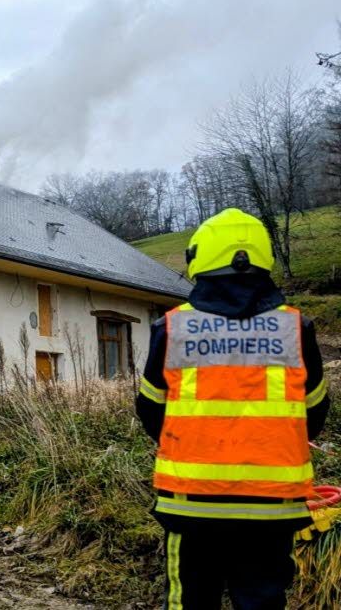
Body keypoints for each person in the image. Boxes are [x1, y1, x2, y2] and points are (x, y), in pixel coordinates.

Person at [135, 208, 330, 610]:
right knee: (262, 600)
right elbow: (315, 413)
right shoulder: (297, 328)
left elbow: (151, 409)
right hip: (273, 506)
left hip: (191, 500)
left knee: (191, 599)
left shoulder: (172, 328)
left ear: (199, 257)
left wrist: (191, 445)